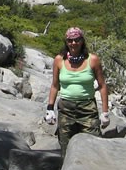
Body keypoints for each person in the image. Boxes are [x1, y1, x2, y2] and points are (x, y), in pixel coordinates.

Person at [44, 27, 110, 158]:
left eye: (77, 40)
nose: (73, 43)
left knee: (93, 144)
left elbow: (102, 86)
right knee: (66, 145)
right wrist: (50, 108)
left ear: (82, 41)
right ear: (66, 42)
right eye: (70, 40)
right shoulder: (59, 60)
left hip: (87, 108)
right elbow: (55, 85)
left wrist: (105, 112)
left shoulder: (93, 60)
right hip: (66, 109)